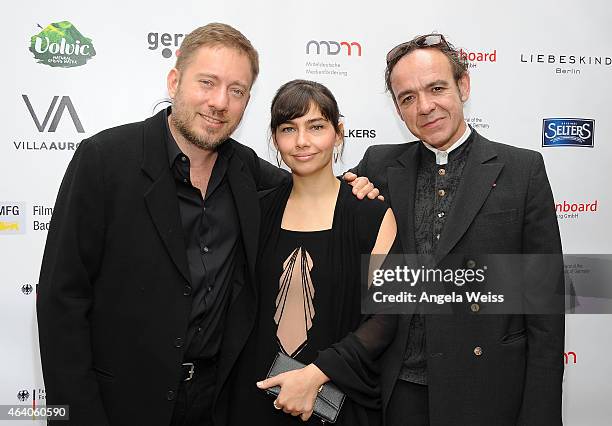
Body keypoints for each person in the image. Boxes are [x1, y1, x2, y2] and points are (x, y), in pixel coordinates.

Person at [36, 23, 377, 426]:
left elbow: (310, 183)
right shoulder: (104, 160)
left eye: (236, 91)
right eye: (207, 83)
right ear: (174, 81)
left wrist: (357, 186)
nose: (220, 102)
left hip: (218, 402)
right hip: (121, 402)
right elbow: (62, 302)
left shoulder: (246, 170)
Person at [345, 33, 565, 426]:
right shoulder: (378, 166)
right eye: (408, 97)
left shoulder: (522, 170)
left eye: (436, 88)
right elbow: (320, 209)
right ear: (397, 109)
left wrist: (540, 414)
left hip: (488, 389)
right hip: (397, 391)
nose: (425, 107)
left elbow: (544, 307)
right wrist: (355, 194)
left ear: (463, 86)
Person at [227, 79, 397, 426]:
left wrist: (315, 375)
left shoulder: (376, 214)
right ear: (275, 139)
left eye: (316, 126)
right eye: (289, 129)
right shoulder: (254, 212)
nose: (302, 141)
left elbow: (387, 317)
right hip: (254, 399)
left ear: (339, 133)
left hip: (338, 401)